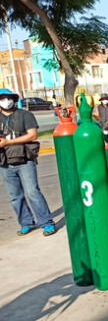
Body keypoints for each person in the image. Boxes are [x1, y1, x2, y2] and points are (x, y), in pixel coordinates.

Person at [0, 88, 56, 236]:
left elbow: (32, 135)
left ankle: (47, 222)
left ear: (13, 99)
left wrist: (8, 142)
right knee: (15, 196)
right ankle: (26, 223)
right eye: (2, 98)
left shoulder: (25, 115)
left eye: (8, 97)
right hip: (4, 162)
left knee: (32, 192)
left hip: (25, 160)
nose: (6, 101)